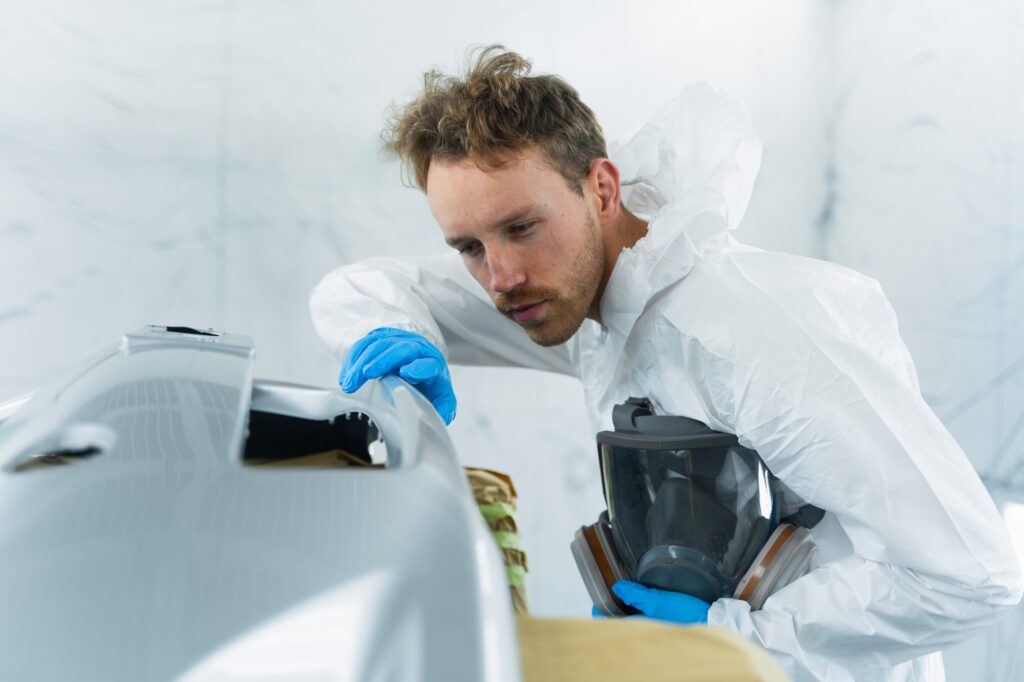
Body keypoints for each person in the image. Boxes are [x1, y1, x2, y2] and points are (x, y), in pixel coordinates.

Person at [309, 45, 1022, 681]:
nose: (499, 277)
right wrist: (406, 337)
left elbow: (969, 573)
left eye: (520, 228)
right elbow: (363, 289)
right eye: (469, 246)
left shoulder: (746, 338)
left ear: (604, 188)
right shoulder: (587, 300)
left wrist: (732, 639)